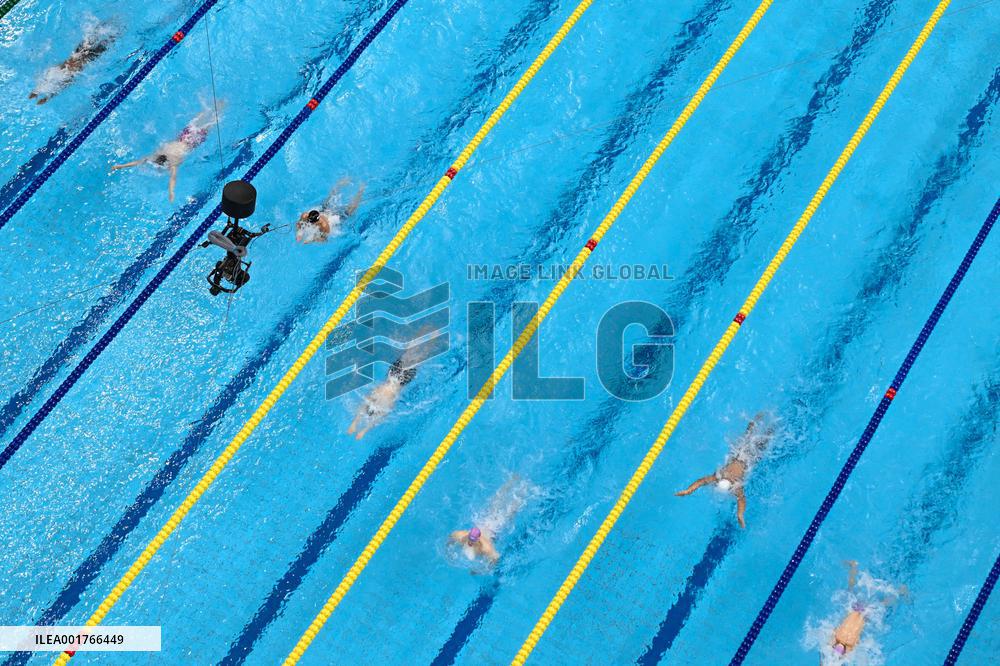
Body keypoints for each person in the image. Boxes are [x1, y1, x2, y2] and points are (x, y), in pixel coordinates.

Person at [675, 412, 773, 527]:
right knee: (749, 438)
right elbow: (701, 482)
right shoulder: (722, 478)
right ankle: (762, 422)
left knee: (753, 440)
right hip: (742, 456)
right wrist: (688, 491)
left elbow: (741, 500)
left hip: (745, 457)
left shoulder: (733, 484)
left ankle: (766, 426)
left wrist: (740, 514)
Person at [111, 106, 223, 202]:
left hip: (191, 142)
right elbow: (139, 162)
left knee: (208, 127)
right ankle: (206, 110)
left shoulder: (173, 163)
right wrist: (120, 166)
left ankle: (219, 112)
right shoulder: (159, 154)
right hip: (184, 136)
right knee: (194, 123)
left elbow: (173, 178)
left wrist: (171, 192)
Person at [828, 561, 905, 659]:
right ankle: (854, 567)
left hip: (861, 613)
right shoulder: (840, 642)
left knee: (881, 604)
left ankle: (900, 592)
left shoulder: (843, 644)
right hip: (858, 610)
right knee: (852, 591)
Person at [30, 21, 117, 104]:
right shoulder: (71, 76)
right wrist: (46, 97)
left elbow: (54, 85)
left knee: (92, 38)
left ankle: (108, 25)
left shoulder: (63, 67)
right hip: (88, 57)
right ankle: (115, 31)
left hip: (79, 53)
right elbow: (60, 88)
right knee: (106, 42)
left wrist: (37, 93)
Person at [347, 356, 417, 440]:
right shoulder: (381, 397)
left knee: (414, 358)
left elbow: (374, 417)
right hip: (395, 375)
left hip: (398, 378)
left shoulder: (384, 401)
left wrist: (360, 428)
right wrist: (358, 426)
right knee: (410, 357)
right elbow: (367, 408)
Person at [296, 178, 365, 243]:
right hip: (324, 212)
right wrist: (299, 233)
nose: (310, 223)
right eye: (309, 220)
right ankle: (341, 183)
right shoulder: (304, 215)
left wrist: (312, 240)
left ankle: (361, 190)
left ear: (317, 220)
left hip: (334, 219)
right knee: (329, 198)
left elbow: (324, 239)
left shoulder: (324, 226)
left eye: (312, 222)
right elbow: (299, 224)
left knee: (349, 211)